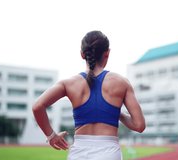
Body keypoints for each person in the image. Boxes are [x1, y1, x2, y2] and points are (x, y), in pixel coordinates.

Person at [32, 30, 146, 160]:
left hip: (79, 153)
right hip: (109, 153)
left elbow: (37, 106)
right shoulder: (121, 82)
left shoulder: (68, 83)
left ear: (82, 54)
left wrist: (51, 136)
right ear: (107, 53)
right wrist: (115, 112)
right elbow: (139, 125)